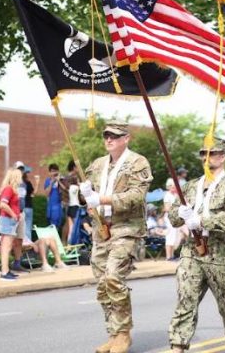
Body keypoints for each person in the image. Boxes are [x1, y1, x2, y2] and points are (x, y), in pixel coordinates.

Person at [167, 137, 225, 353]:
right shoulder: (191, 186)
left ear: (222, 156)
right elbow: (173, 217)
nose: (206, 157)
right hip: (191, 252)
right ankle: (178, 345)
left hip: (220, 255)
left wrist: (202, 221)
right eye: (203, 153)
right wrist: (181, 214)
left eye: (211, 153)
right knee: (186, 299)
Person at [80, 120, 152, 353]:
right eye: (106, 136)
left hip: (126, 228)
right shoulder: (98, 164)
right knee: (102, 284)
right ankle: (113, 334)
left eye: (114, 136)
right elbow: (89, 197)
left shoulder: (137, 162)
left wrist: (101, 199)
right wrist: (84, 196)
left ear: (126, 138)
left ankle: (123, 334)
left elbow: (136, 196)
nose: (109, 139)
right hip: (101, 229)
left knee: (113, 277)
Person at [0, 168, 25, 281]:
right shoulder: (9, 189)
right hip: (7, 220)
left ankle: (6, 270)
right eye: (19, 176)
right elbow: (3, 204)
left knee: (7, 246)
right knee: (6, 247)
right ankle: (4, 272)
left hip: (10, 221)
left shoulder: (11, 189)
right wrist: (13, 214)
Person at [163, 178, 186, 261]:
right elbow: (166, 208)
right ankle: (168, 256)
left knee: (175, 236)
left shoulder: (175, 195)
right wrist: (176, 209)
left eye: (175, 186)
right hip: (169, 218)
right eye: (172, 186)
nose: (174, 188)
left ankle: (172, 255)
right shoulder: (167, 195)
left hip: (176, 217)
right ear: (169, 187)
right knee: (170, 236)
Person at [64, 161, 81, 245]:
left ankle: (69, 244)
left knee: (71, 227)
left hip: (69, 207)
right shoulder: (76, 187)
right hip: (75, 207)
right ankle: (75, 244)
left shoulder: (69, 187)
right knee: (75, 228)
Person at [43, 163, 64, 229]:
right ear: (49, 172)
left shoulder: (61, 180)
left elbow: (65, 189)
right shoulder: (48, 181)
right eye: (52, 171)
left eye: (55, 171)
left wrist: (59, 181)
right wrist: (52, 182)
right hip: (51, 205)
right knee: (52, 224)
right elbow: (47, 193)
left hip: (59, 205)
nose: (54, 173)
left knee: (58, 224)